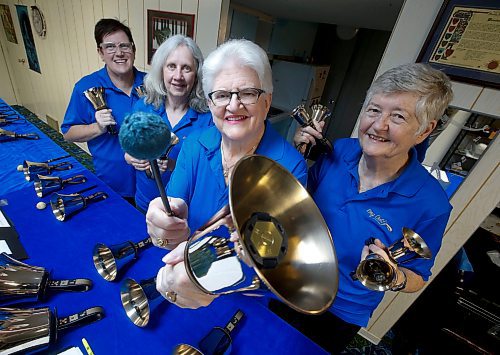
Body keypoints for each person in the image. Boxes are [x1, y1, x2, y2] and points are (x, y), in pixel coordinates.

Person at [272, 62, 454, 353]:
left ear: (424, 131)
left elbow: (418, 276)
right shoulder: (341, 150)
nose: (379, 125)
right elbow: (295, 201)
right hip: (287, 278)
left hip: (339, 310)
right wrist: (297, 153)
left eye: (398, 116)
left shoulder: (432, 204)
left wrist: (392, 275)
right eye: (374, 110)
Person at [146, 39, 308, 308]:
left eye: (247, 93)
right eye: (221, 95)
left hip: (244, 291)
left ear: (267, 102)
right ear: (210, 104)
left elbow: (273, 253)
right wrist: (164, 225)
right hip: (188, 268)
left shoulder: (290, 167)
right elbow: (175, 206)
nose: (233, 106)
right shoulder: (194, 144)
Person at [125, 35, 212, 213]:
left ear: (196, 75)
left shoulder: (208, 119)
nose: (178, 76)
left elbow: (209, 172)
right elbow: (128, 148)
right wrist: (131, 157)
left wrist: (172, 165)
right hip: (144, 203)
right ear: (161, 70)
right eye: (171, 66)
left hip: (184, 209)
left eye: (186, 68)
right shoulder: (143, 107)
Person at [62, 19, 145, 203]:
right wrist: (97, 127)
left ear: (133, 49)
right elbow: (68, 133)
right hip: (113, 185)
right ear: (100, 52)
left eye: (124, 46)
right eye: (110, 47)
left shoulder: (152, 84)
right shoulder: (86, 87)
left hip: (151, 182)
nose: (119, 53)